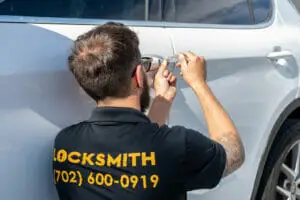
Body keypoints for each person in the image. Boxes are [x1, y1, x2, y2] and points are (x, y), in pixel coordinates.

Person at [52, 22, 245, 200]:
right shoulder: (178, 145)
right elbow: (234, 154)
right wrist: (199, 83)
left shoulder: (66, 144)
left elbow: (138, 161)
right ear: (138, 75)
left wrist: (161, 103)